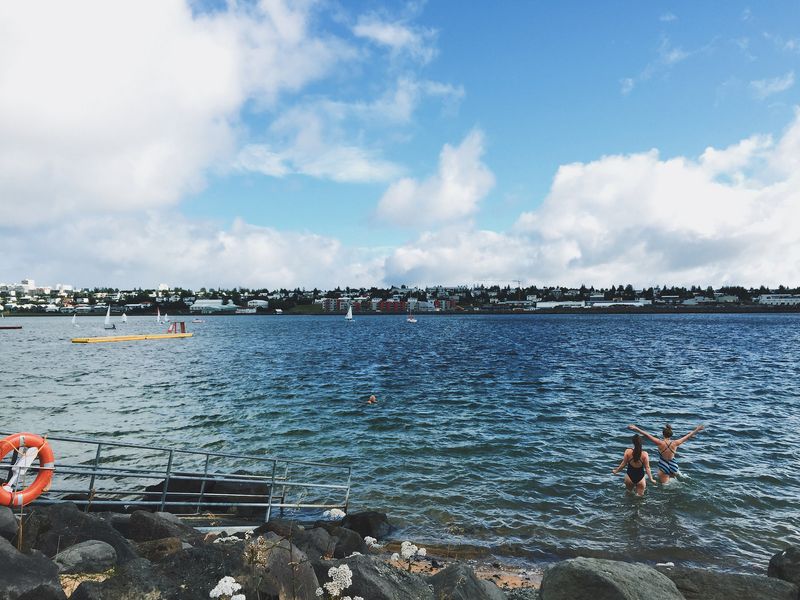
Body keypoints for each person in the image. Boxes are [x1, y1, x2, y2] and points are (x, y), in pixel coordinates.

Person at [628, 423, 704, 484]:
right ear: (671, 434)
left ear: (663, 434)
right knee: (673, 483)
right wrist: (697, 429)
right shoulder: (676, 443)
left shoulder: (660, 443)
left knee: (665, 486)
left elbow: (647, 435)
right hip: (673, 465)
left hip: (663, 465)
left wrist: (636, 428)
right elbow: (688, 436)